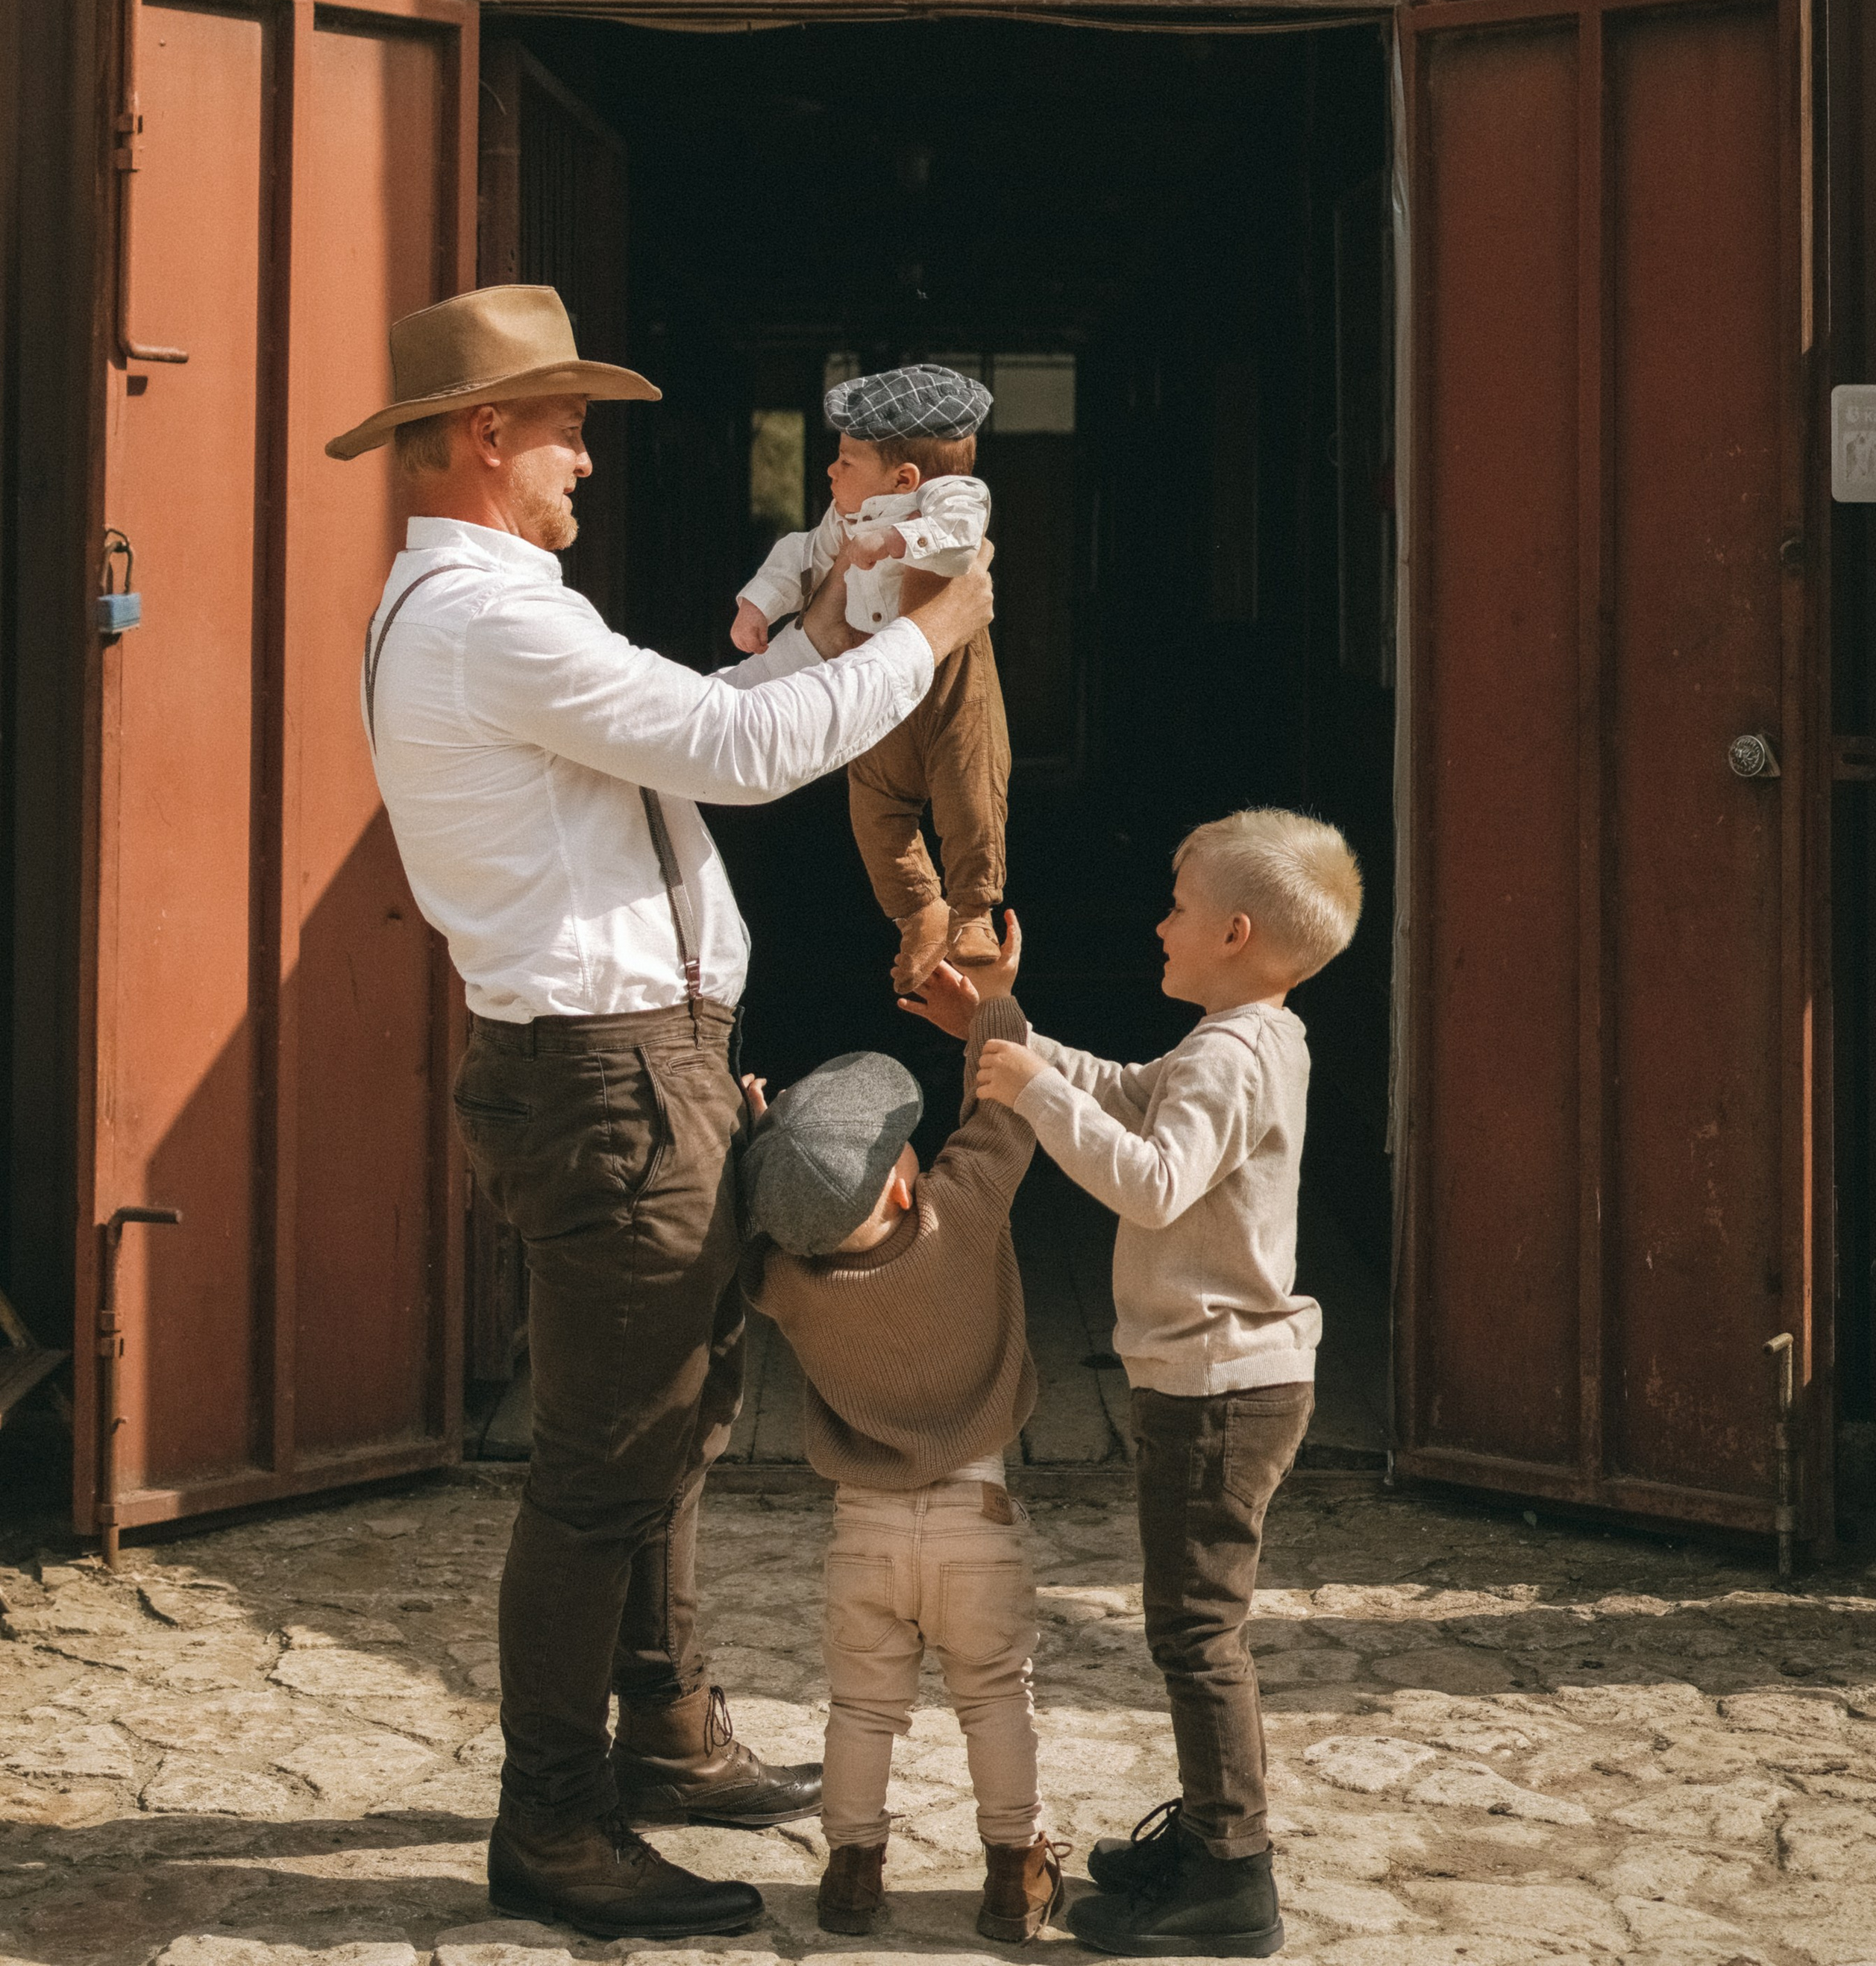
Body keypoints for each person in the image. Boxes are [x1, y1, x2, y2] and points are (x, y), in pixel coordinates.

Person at [325, 284, 996, 1944]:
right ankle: (553, 1825)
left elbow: (687, 736)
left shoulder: (485, 610)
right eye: (566, 432)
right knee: (603, 1465)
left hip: (638, 1062)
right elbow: (736, 745)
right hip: (612, 1069)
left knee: (677, 1416)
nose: (586, 467)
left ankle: (670, 1733)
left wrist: (838, 626)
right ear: (487, 437)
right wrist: (927, 627)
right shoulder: (494, 619)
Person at [926, 808, 1363, 1960]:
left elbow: (1154, 1180)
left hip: (1221, 1388)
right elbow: (1126, 1095)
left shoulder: (1229, 1053)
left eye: (1175, 905)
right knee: (1192, 1626)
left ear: (1233, 930)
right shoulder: (1251, 1033)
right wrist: (1000, 1031)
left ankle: (1231, 1872)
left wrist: (1027, 1094)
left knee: (1196, 1634)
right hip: (1216, 1380)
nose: (1157, 923)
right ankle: (1217, 1839)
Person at [738, 917, 1064, 1944]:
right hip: (978, 1513)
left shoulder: (787, 1284)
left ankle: (851, 1871)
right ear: (896, 1182)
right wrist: (994, 1004)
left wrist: (752, 1147)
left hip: (864, 1535)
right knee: (995, 1701)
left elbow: (743, 1227)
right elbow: (1005, 1110)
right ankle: (1014, 1869)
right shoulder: (960, 1212)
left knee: (862, 1713)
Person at [730, 363, 1008, 996]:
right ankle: (918, 914)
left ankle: (972, 910)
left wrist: (896, 538)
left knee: (971, 787)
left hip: (951, 674)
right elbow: (801, 554)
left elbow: (960, 540)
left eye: (847, 461)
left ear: (905, 479)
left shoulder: (951, 497)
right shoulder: (843, 517)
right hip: (873, 675)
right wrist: (759, 606)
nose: (831, 473)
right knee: (874, 805)